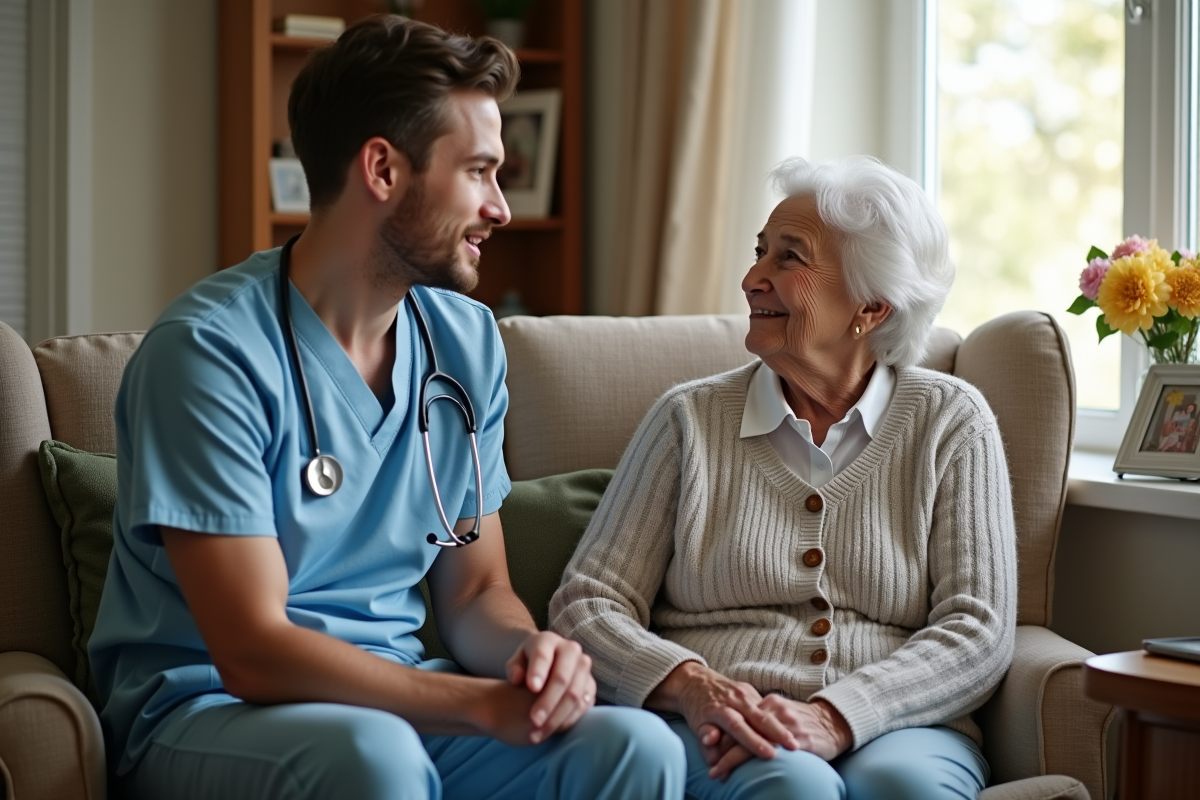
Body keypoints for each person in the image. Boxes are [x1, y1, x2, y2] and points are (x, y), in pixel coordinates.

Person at [88, 16, 684, 800]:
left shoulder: (465, 343)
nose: (501, 207)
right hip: (211, 709)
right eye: (478, 171)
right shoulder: (208, 355)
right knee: (373, 760)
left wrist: (526, 658)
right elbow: (253, 650)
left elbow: (473, 592)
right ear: (382, 169)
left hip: (398, 701)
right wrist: (475, 705)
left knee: (632, 747)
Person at [550, 156, 1017, 800]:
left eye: (787, 259)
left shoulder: (950, 422)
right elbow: (587, 605)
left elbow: (978, 628)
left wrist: (836, 716)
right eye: (758, 253)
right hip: (718, 719)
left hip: (902, 726)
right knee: (791, 785)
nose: (750, 280)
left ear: (872, 306)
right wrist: (692, 687)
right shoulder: (688, 420)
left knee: (906, 790)